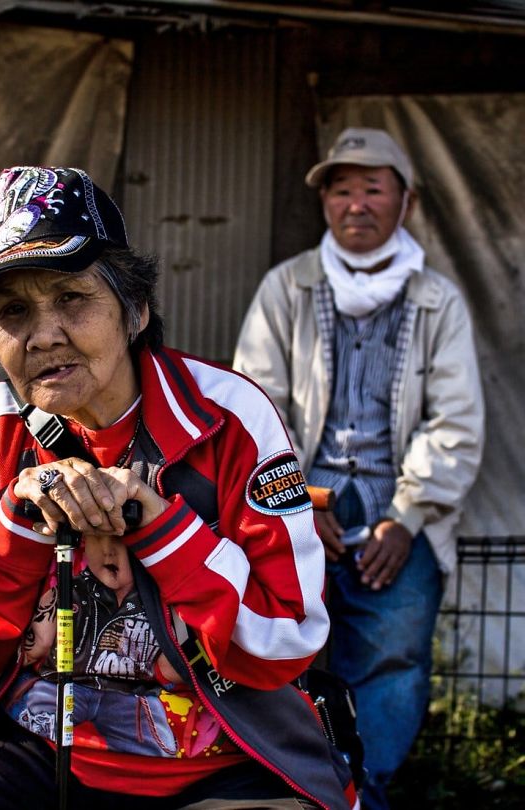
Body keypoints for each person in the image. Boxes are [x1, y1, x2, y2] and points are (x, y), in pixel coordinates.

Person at [0, 165, 357, 810]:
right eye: (13, 311)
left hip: (226, 758)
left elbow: (290, 633)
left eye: (71, 297)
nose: (43, 335)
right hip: (40, 746)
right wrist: (19, 521)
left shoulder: (230, 418)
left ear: (135, 308)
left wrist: (164, 529)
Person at [233, 127, 485, 809]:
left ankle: (361, 795)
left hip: (396, 518)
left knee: (392, 660)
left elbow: (456, 424)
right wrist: (297, 503)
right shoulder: (286, 289)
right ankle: (290, 790)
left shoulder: (437, 301)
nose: (356, 203)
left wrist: (405, 520)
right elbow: (256, 406)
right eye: (341, 189)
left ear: (406, 202)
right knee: (267, 653)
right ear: (325, 203)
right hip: (294, 510)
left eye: (373, 188)